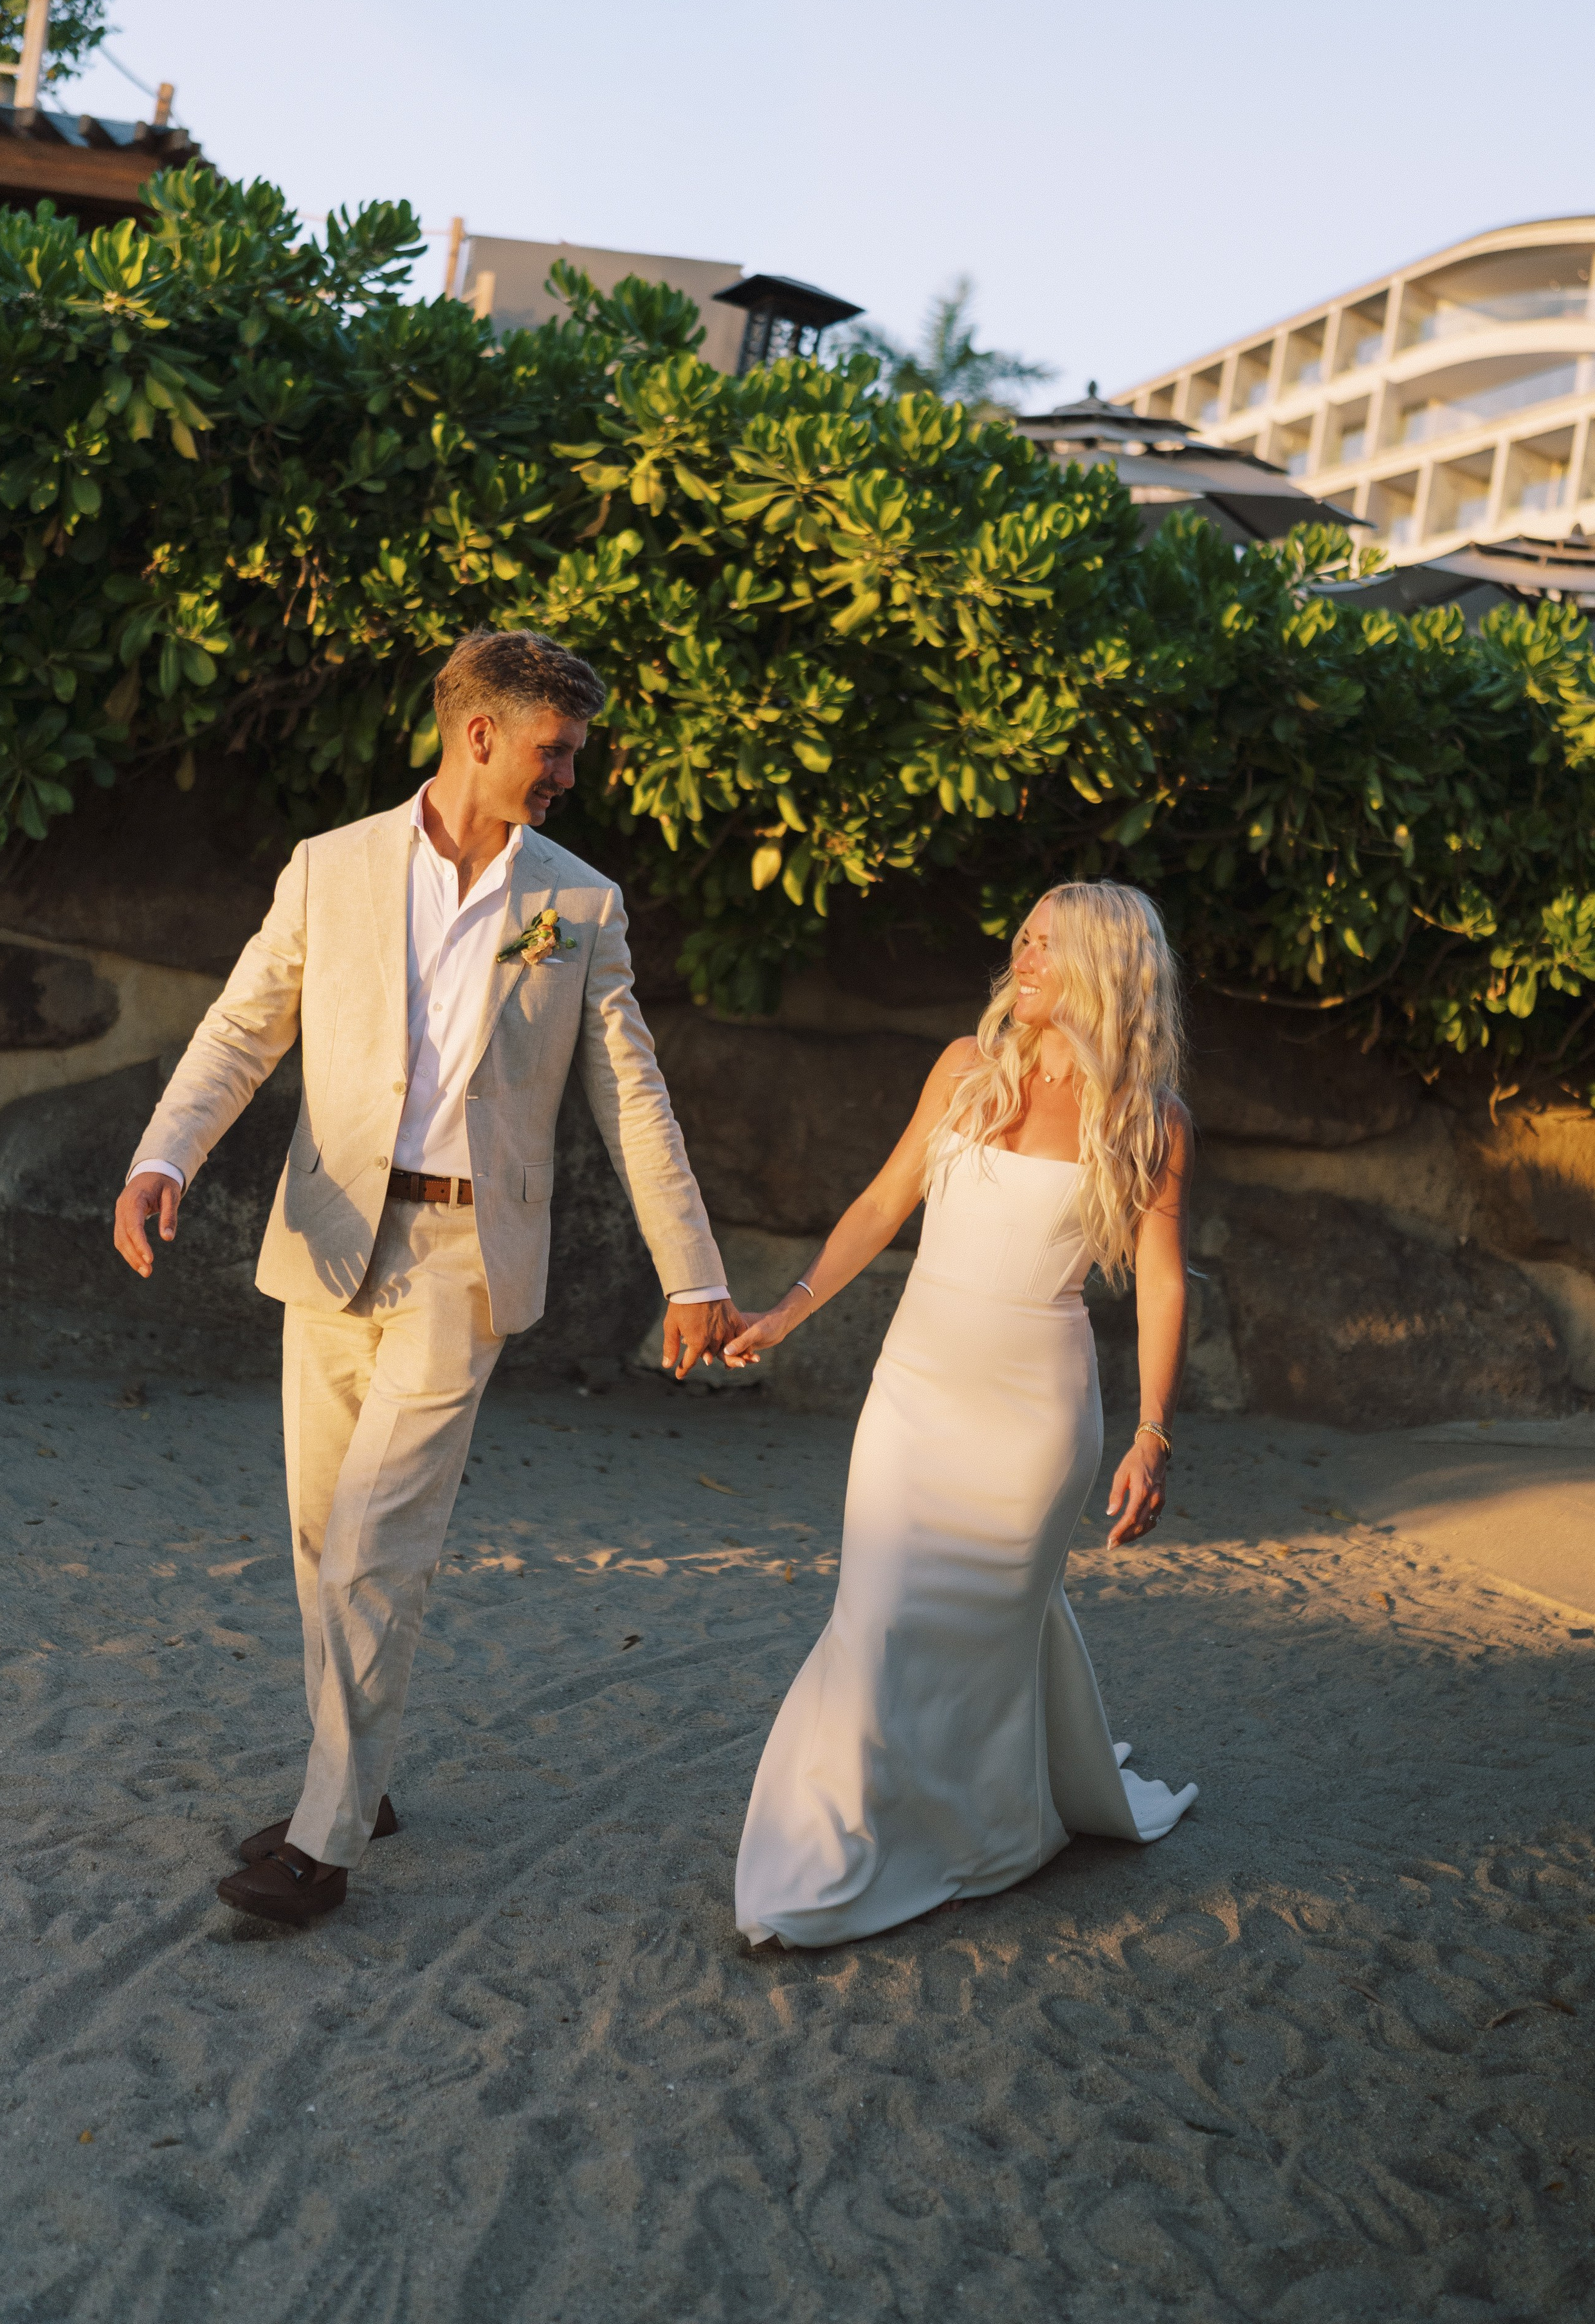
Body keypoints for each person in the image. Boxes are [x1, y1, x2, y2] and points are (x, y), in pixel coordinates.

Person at [113, 628, 741, 1927]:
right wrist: (162, 1154)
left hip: (467, 1260)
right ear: (479, 737)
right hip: (330, 1239)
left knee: (375, 1547)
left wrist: (692, 1275)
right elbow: (244, 1024)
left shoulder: (580, 904)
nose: (568, 774)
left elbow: (634, 1100)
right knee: (314, 1538)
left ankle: (325, 1842)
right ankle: (363, 1773)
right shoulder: (329, 867)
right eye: (553, 751)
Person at [724, 878, 1198, 1949]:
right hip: (916, 1393)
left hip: (1037, 1417)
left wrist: (1152, 1433)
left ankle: (993, 1834)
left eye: (1044, 946)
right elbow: (885, 1202)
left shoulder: (1150, 1123)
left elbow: (1164, 1285)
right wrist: (788, 1312)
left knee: (989, 1633)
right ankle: (825, 1856)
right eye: (1019, 937)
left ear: (1105, 968)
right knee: (881, 1618)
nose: (1020, 959)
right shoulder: (965, 1071)